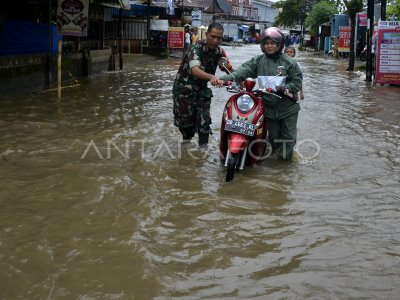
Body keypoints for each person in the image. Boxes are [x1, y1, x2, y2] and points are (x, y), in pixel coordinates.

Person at [218, 27, 302, 160]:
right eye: (266, 43)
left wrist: (284, 88)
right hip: (268, 106)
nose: (269, 46)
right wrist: (224, 79)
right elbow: (243, 71)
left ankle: (285, 168)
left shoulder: (289, 62)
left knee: (288, 139)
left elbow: (297, 82)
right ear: (262, 45)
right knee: (273, 137)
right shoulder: (258, 60)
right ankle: (273, 162)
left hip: (287, 107)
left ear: (279, 45)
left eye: (273, 43)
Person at [172, 23, 233, 147]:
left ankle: (202, 152)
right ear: (206, 35)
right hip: (184, 90)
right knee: (186, 126)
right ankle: (186, 149)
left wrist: (245, 84)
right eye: (213, 36)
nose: (216, 41)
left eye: (219, 38)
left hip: (202, 91)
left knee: (204, 123)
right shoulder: (195, 48)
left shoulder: (220, 52)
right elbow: (195, 70)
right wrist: (212, 77)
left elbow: (230, 70)